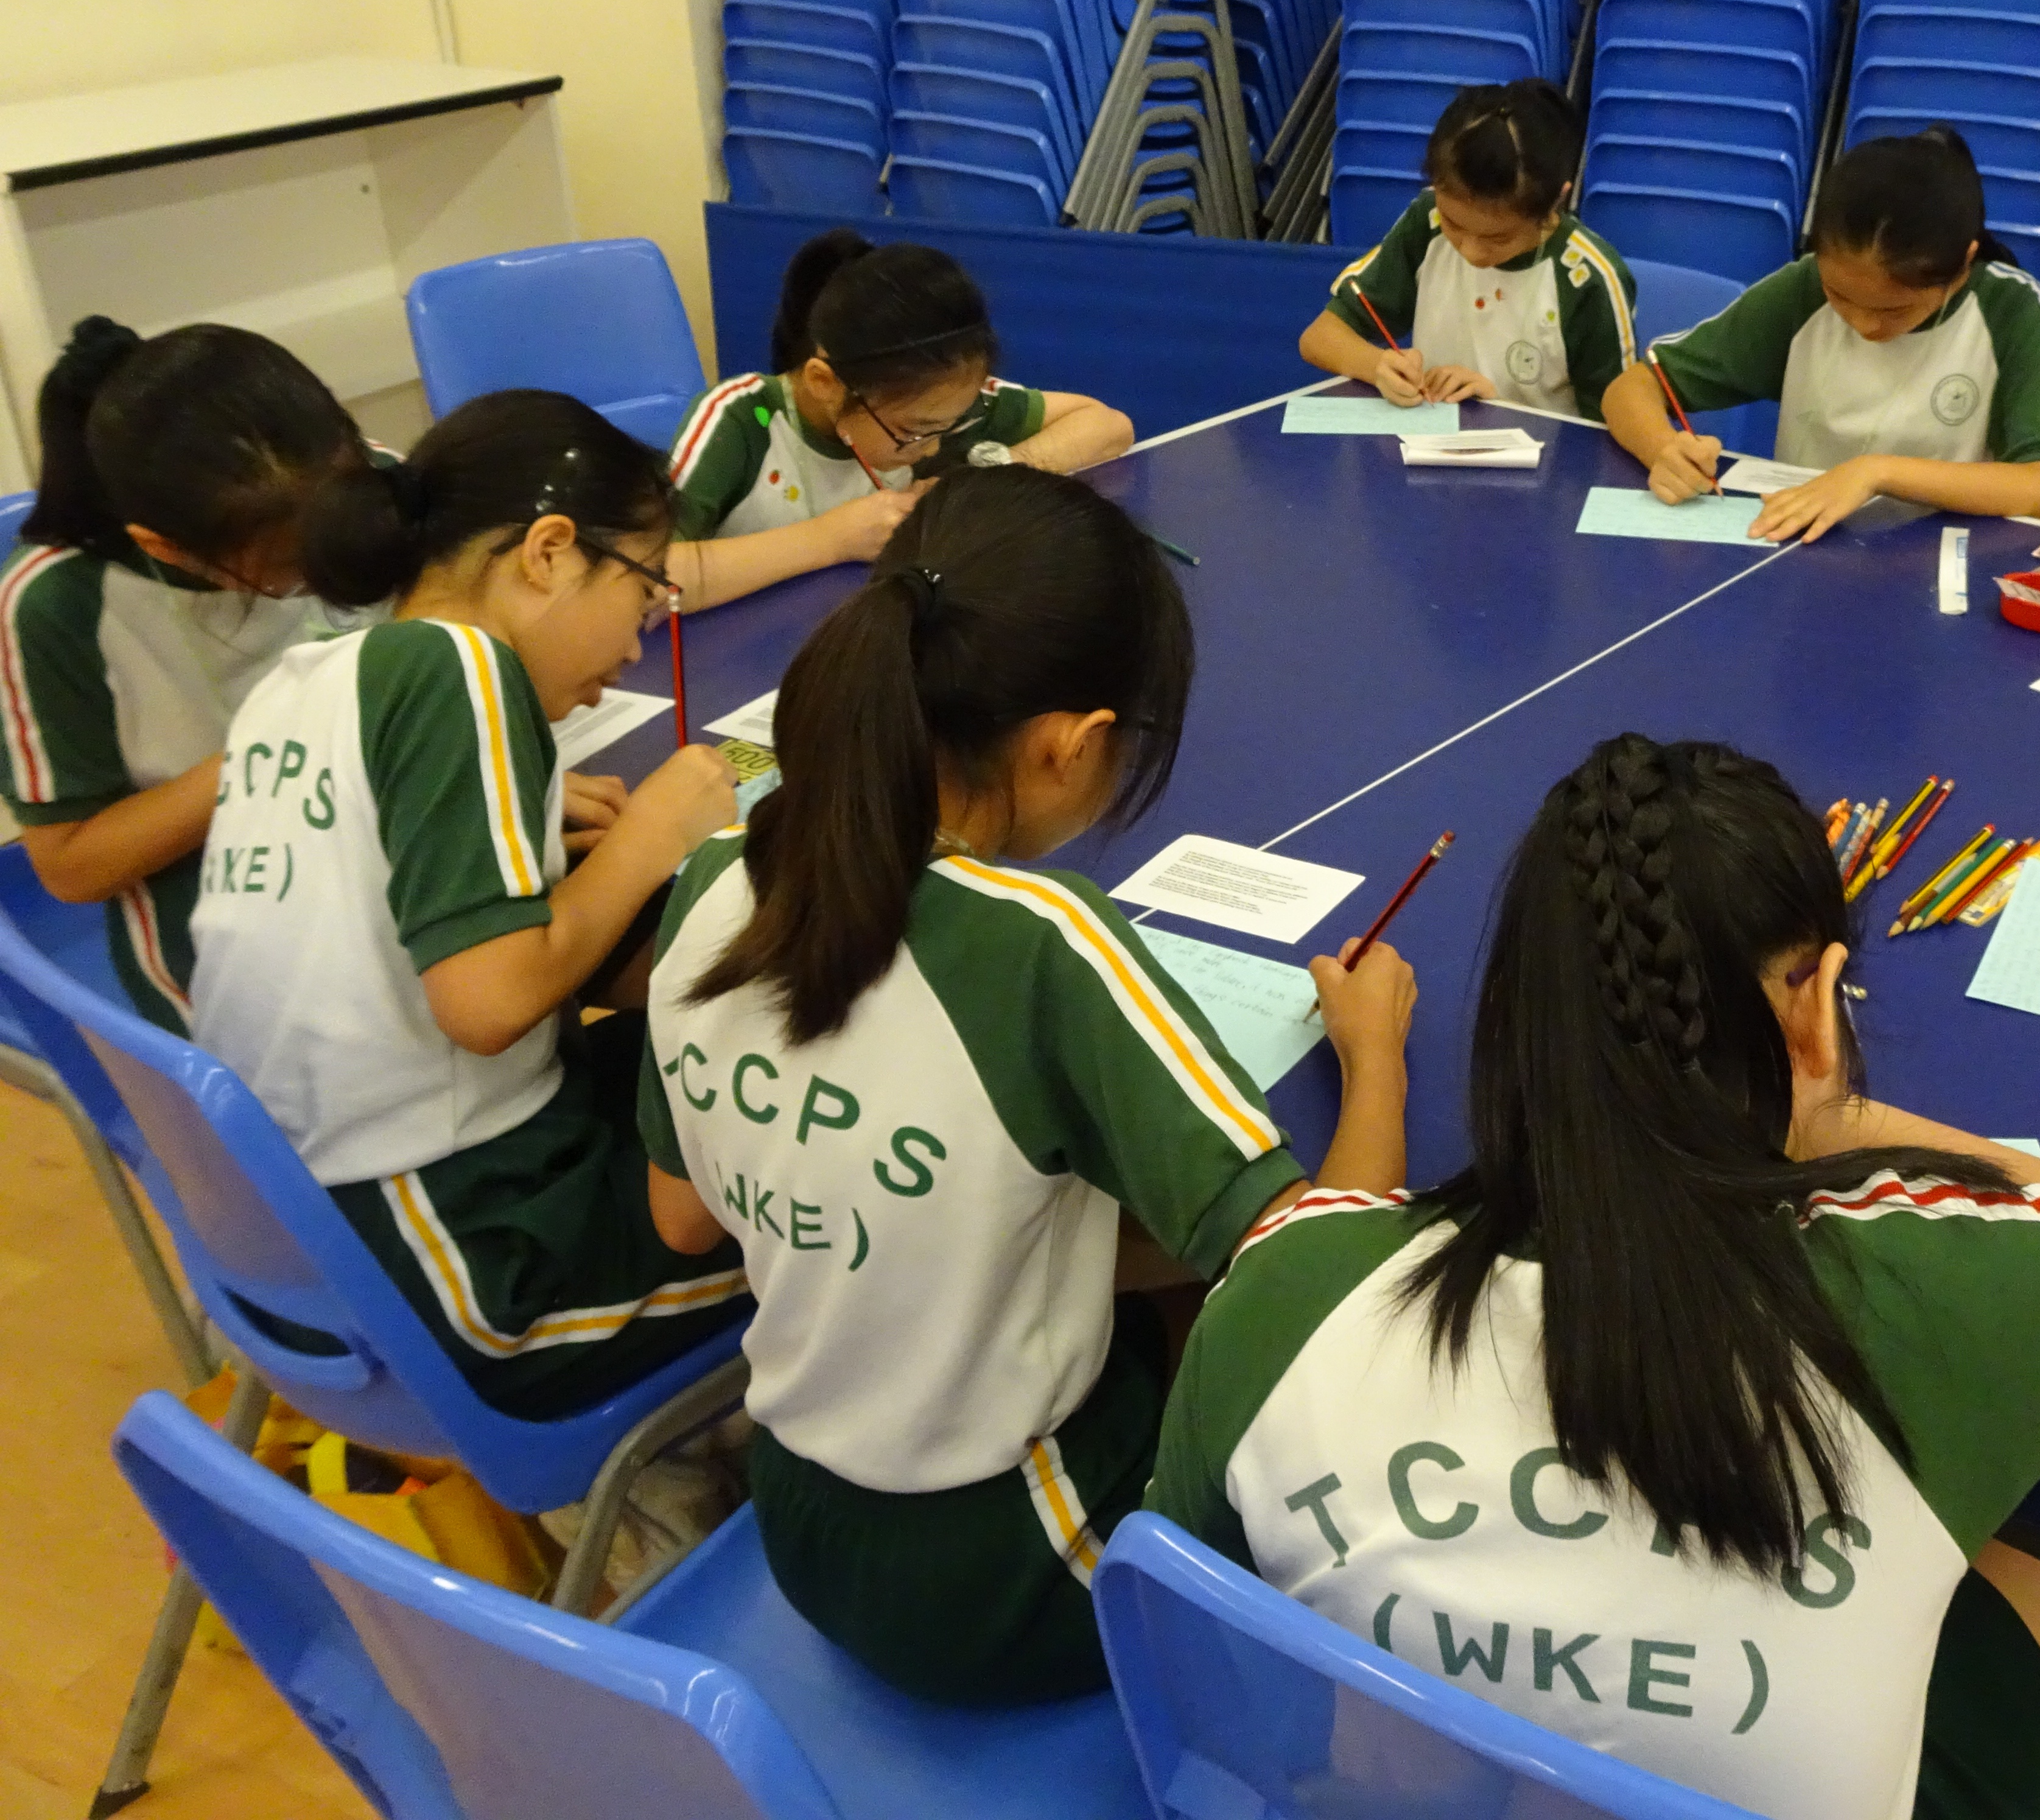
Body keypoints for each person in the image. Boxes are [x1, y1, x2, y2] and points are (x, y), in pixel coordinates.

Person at [1153, 734, 2040, 1820]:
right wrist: (1821, 1097)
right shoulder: (1933, 1298)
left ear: (1516, 1011)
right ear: (1817, 1004)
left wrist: (1374, 1065)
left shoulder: (1281, 1295)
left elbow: (1203, 1632)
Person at [641, 466, 1412, 1706]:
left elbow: (682, 1216)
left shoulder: (713, 880)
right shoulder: (1043, 941)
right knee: (1311, 1360)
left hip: (796, 1515)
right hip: (1014, 1577)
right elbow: (1318, 1293)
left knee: (1127, 1273)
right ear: (1073, 743)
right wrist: (1375, 1061)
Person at [188, 392, 750, 1416]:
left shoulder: (300, 680)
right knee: (855, 1201)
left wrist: (537, 851)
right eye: (643, 594)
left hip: (301, 1241)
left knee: (718, 1061)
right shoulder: (465, 665)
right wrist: (652, 835)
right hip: (464, 1269)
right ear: (549, 552)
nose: (635, 649)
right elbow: (487, 1004)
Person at [0, 318, 379, 1029]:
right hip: (237, 955)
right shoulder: (56, 607)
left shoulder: (370, 486)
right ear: (165, 547)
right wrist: (288, 740)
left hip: (403, 866)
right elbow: (73, 865)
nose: (333, 573)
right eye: (290, 570)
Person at [1604, 130, 2040, 543]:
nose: (1864, 324)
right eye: (1840, 296)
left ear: (1964, 263)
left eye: (1894, 310)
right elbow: (1632, 389)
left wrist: (1876, 472)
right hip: (1801, 549)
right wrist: (1664, 450)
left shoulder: (2010, 309)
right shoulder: (1803, 289)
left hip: (1940, 564)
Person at [666, 231, 1132, 608]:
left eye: (943, 429)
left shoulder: (939, 403)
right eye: (912, 433)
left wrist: (990, 472)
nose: (933, 448)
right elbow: (650, 576)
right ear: (827, 384)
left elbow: (1108, 426)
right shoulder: (740, 420)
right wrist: (830, 540)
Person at [1296, 79, 1639, 418]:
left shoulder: (1588, 279)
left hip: (1544, 454)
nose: (1471, 253)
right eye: (1454, 225)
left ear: (1556, 201)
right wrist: (1378, 366)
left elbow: (1619, 424)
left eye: (1498, 239)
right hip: (1431, 445)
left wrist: (1496, 406)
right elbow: (1320, 337)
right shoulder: (1427, 222)